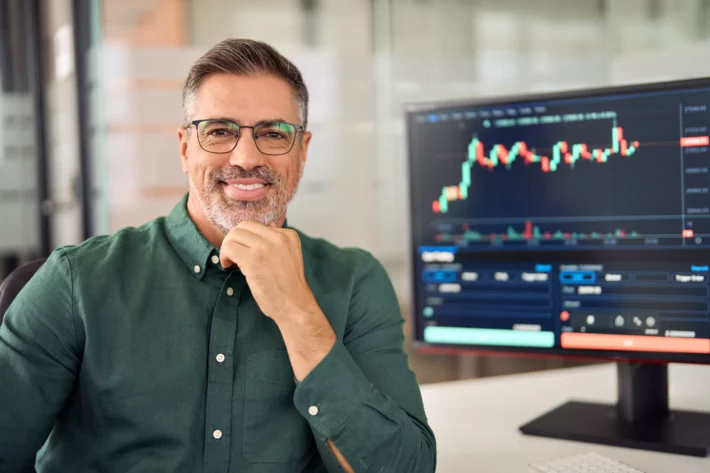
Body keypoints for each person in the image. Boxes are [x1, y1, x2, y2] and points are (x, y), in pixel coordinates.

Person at [0, 39, 436, 473]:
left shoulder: (355, 281)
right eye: (220, 131)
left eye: (272, 133)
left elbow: (407, 467)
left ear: (302, 153)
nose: (246, 158)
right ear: (186, 148)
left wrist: (298, 313)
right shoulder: (75, 281)